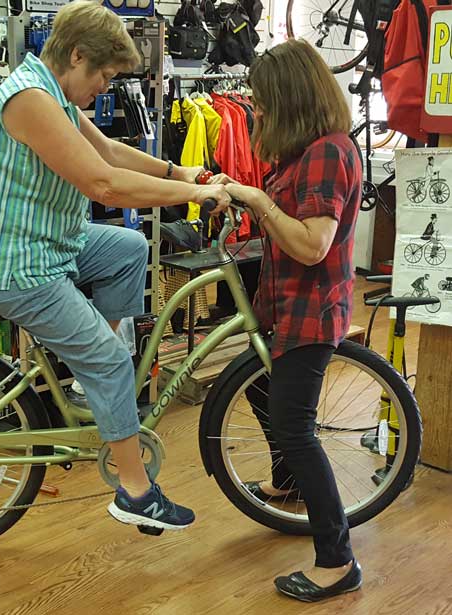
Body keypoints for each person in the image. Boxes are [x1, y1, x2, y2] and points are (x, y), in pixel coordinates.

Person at [0, 1, 231, 532]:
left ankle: (83, 382)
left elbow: (112, 153)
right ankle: (136, 492)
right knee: (112, 361)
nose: (104, 86)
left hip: (45, 243)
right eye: (102, 74)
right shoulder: (30, 101)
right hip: (10, 265)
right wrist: (190, 193)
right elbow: (102, 184)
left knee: (128, 249)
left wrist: (178, 168)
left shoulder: (51, 92)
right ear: (76, 56)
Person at [210, 39, 363, 601]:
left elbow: (313, 245)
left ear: (291, 97)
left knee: (296, 428)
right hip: (286, 305)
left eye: (266, 101)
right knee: (256, 389)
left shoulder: (328, 151)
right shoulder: (305, 149)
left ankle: (337, 562)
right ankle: (288, 484)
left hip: (312, 313)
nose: (259, 111)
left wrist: (257, 199)